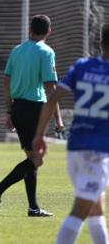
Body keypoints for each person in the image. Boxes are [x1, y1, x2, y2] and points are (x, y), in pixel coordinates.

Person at [33, 23, 109, 244]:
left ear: (101, 42)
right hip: (98, 153)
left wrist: (39, 135)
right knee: (79, 212)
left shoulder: (82, 66)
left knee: (96, 211)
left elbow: (53, 98)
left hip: (76, 149)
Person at [0, 15, 64, 217]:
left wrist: (10, 111)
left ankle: (33, 207)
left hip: (19, 108)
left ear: (30, 29)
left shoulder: (17, 50)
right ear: (49, 31)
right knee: (37, 159)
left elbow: (6, 83)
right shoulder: (46, 52)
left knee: (31, 157)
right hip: (34, 109)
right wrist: (58, 118)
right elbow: (50, 87)